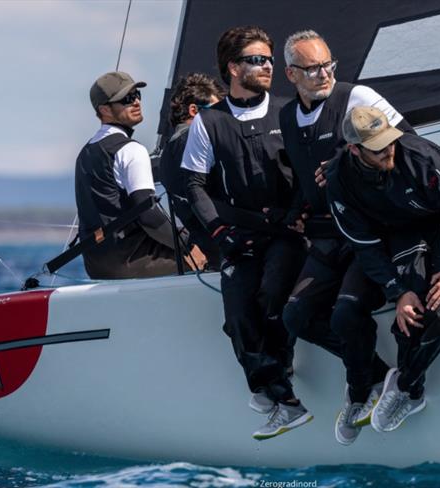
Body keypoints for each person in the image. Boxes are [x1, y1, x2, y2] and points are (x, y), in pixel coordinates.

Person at [278, 30, 412, 445]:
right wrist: (295, 210)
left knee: (346, 314)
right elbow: (303, 176)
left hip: (365, 233)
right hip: (324, 237)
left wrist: (345, 159)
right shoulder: (286, 117)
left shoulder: (358, 97)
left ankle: (361, 393)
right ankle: (374, 374)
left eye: (328, 64)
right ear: (291, 74)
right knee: (296, 315)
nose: (324, 74)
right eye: (313, 68)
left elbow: (408, 146)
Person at [180, 26, 309, 440]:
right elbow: (194, 185)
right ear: (233, 68)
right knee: (237, 313)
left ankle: (272, 382)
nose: (268, 65)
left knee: (271, 295)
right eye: (257, 59)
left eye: (269, 58)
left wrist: (298, 213)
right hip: (240, 234)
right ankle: (283, 398)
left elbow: (312, 174)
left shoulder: (291, 112)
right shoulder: (209, 122)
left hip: (289, 232)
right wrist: (220, 232)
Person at [325, 106, 440, 433]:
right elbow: (363, 243)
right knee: (367, 312)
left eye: (390, 142)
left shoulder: (416, 155)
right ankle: (369, 387)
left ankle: (408, 388)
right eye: (378, 148)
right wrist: (398, 291)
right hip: (395, 234)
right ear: (354, 149)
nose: (388, 151)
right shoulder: (340, 178)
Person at [75, 71, 206, 280]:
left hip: (97, 265)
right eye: (126, 99)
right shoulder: (131, 150)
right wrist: (190, 244)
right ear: (104, 110)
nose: (136, 102)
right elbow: (149, 215)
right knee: (210, 255)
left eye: (137, 95)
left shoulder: (86, 152)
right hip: (133, 261)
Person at [159, 73, 226, 268]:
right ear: (194, 110)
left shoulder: (168, 151)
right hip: (229, 250)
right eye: (216, 111)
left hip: (212, 252)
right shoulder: (191, 141)